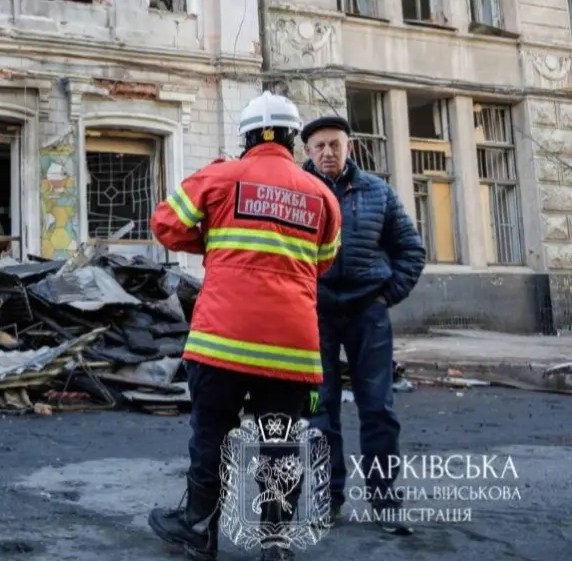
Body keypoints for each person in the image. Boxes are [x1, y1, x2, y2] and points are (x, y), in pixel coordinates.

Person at [147, 91, 343, 561]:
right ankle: (276, 542)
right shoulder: (321, 195)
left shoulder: (221, 175)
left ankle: (198, 526)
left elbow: (165, 224)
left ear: (247, 136)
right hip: (291, 348)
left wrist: (215, 240)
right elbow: (324, 263)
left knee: (211, 432)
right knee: (280, 442)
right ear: (295, 139)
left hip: (222, 341)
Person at [300, 116, 425, 534]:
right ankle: (327, 501)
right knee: (320, 412)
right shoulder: (296, 192)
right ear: (307, 152)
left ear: (349, 147)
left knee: (379, 410)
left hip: (367, 314)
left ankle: (386, 504)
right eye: (318, 146)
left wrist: (385, 296)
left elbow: (411, 249)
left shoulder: (377, 192)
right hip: (313, 316)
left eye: (334, 144)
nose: (327, 153)